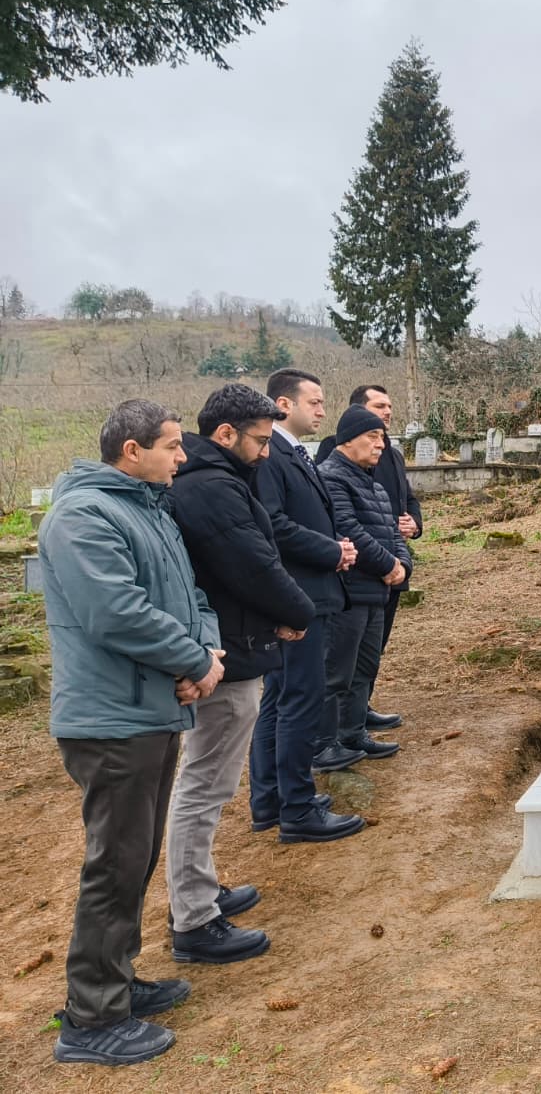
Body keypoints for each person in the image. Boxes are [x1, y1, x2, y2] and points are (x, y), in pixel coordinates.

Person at [39, 400, 225, 1066]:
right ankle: (90, 1021)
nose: (183, 457)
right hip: (110, 720)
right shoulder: (83, 516)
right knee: (114, 866)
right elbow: (115, 613)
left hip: (151, 711)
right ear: (130, 451)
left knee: (136, 858)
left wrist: (207, 654)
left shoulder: (149, 511)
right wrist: (193, 660)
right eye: (173, 447)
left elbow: (192, 600)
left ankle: (118, 982)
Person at [165, 384, 317, 965]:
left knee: (209, 786)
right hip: (224, 659)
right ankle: (195, 919)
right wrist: (296, 612)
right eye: (258, 440)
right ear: (224, 434)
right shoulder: (210, 489)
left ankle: (198, 890)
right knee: (203, 787)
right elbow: (251, 562)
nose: (266, 451)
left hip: (235, 646)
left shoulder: (220, 480)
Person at [251, 368, 366, 842]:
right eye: (314, 402)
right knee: (297, 699)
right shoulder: (270, 454)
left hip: (308, 589)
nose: (322, 410)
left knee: (281, 699)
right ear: (284, 404)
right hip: (297, 593)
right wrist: (331, 550)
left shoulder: (291, 452)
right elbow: (274, 524)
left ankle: (273, 799)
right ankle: (295, 807)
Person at [316, 385, 420, 731]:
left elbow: (393, 527)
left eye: (383, 439)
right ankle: (329, 740)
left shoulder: (372, 483)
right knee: (338, 672)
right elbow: (347, 528)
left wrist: (403, 564)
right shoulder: (332, 476)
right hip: (351, 590)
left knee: (365, 668)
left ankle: (354, 731)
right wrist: (389, 565)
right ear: (348, 438)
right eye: (374, 437)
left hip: (377, 591)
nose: (381, 444)